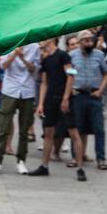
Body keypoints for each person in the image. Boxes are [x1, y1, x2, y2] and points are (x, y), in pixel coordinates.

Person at [28, 37, 82, 179]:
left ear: (53, 39)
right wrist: (40, 104)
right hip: (50, 100)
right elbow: (44, 83)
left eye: (45, 38)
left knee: (73, 133)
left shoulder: (63, 55)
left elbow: (71, 76)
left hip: (64, 99)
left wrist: (65, 98)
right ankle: (44, 166)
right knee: (48, 133)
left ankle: (80, 168)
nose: (42, 40)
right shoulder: (46, 59)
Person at [0, 43, 39, 175]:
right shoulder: (10, 43)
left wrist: (23, 58)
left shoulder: (35, 47)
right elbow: (3, 66)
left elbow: (35, 69)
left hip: (27, 91)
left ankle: (21, 160)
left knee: (24, 130)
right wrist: (14, 54)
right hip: (10, 89)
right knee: (3, 127)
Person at [71, 30, 107, 174]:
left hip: (94, 95)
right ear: (80, 42)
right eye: (85, 40)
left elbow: (106, 72)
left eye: (90, 40)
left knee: (99, 128)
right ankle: (76, 157)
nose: (89, 42)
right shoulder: (73, 55)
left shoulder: (99, 55)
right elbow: (69, 73)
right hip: (78, 95)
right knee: (78, 127)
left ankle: (101, 158)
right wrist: (70, 89)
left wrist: (101, 90)